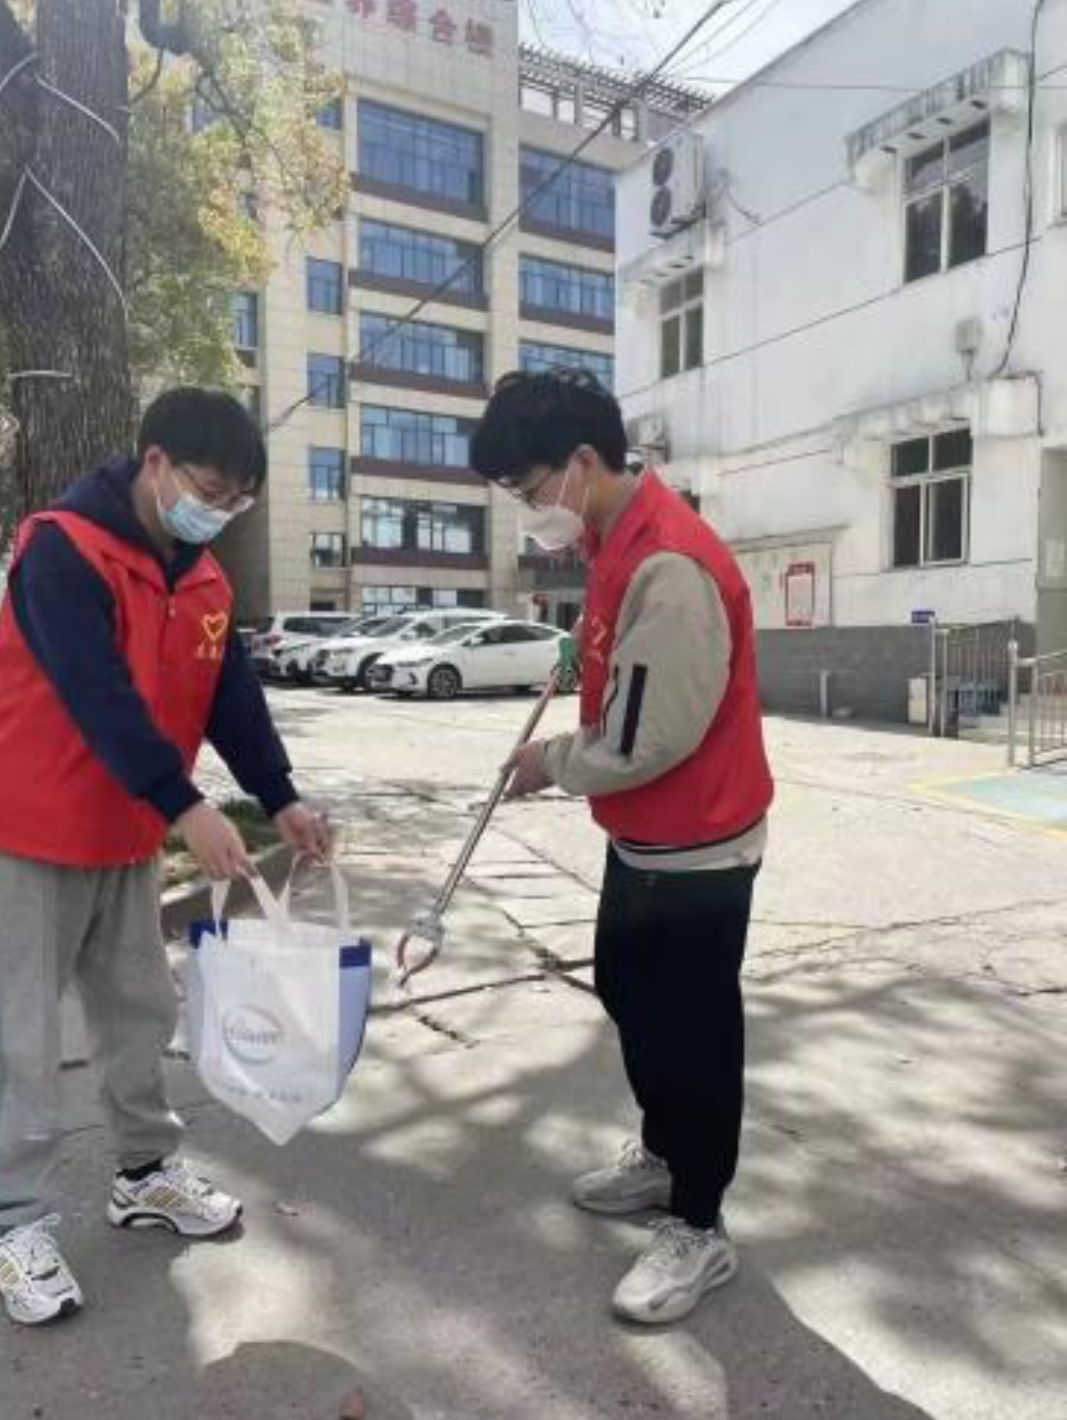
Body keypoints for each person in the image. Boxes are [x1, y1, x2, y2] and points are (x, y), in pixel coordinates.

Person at [0, 388, 330, 1326]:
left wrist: (279, 796)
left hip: (126, 834)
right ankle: (13, 1220)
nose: (217, 511)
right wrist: (185, 805)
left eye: (236, 501)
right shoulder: (62, 550)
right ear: (154, 463)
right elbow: (95, 693)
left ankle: (143, 1173)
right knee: (19, 1034)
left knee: (141, 1012)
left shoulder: (203, 578)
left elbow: (231, 699)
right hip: (28, 830)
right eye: (208, 491)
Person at [469, 370, 774, 1326]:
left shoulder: (669, 567)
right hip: (644, 838)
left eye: (529, 488)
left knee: (692, 1032)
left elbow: (648, 739)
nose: (530, 509)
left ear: (582, 461)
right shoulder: (612, 536)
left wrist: (550, 762)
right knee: (629, 991)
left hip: (698, 844)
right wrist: (584, 651)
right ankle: (664, 1154)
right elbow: (622, 672)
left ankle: (699, 1222)